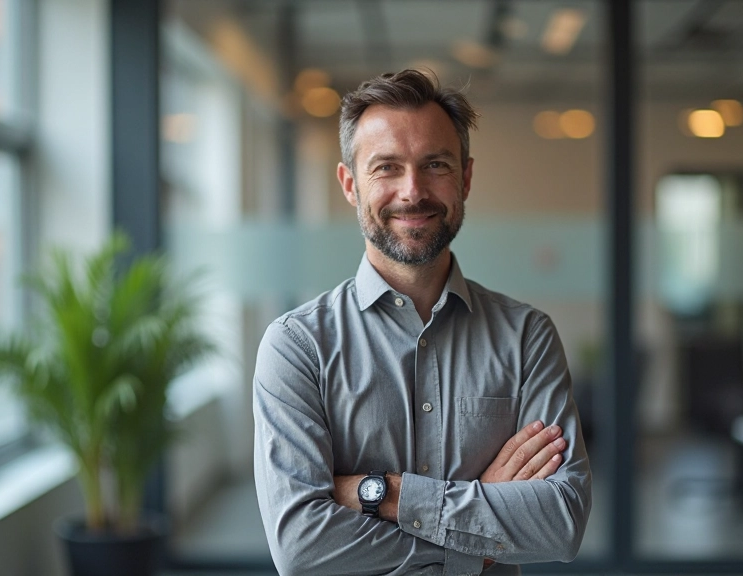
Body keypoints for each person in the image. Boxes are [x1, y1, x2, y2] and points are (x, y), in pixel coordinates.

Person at [253, 69, 592, 575]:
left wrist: (385, 493)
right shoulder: (298, 347)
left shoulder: (526, 338)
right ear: (350, 184)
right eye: (386, 167)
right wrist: (478, 533)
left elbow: (561, 522)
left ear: (465, 179)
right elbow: (301, 547)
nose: (412, 191)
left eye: (435, 165)